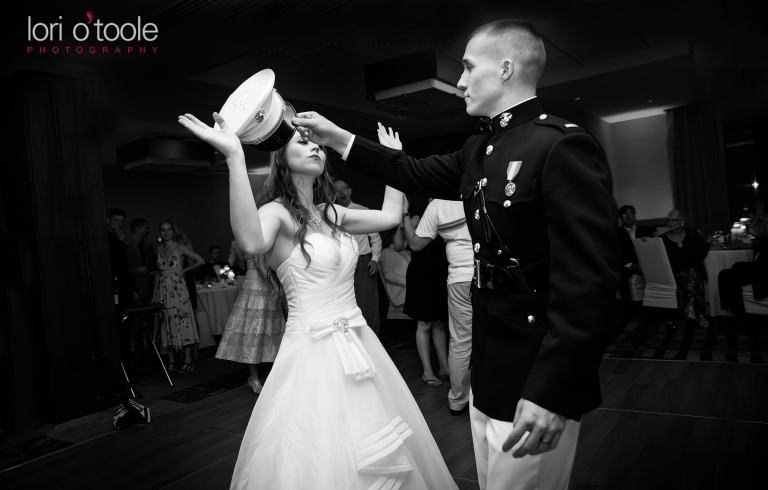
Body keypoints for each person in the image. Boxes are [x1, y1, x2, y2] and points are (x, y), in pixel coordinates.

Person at [292, 18, 619, 490]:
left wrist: (554, 391)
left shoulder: (560, 145)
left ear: (505, 68)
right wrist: (337, 137)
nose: (460, 82)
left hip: (536, 371)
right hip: (491, 364)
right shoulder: (478, 147)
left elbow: (591, 285)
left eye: (468, 67)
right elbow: (411, 171)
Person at [178, 112, 458, 489]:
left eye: (318, 145)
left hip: (358, 344)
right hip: (311, 350)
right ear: (281, 158)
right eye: (302, 142)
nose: (315, 148)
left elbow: (392, 215)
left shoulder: (331, 212)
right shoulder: (276, 213)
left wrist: (392, 158)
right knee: (321, 451)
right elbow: (250, 241)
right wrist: (234, 157)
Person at [402, 197, 474, 417]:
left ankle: (458, 397)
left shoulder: (438, 206)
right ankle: (432, 373)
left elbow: (416, 243)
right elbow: (405, 245)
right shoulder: (483, 192)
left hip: (451, 275)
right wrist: (405, 217)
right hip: (437, 274)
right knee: (428, 325)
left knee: (457, 337)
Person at [394, 197, 451, 390]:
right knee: (424, 323)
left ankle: (444, 367)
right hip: (422, 273)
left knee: (440, 322)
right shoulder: (416, 218)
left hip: (440, 272)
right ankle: (427, 371)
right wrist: (404, 220)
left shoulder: (442, 214)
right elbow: (399, 245)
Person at [216, 253, 286, 394]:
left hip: (267, 286)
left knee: (272, 330)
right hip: (256, 288)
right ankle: (253, 378)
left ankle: (275, 374)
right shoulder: (256, 244)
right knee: (253, 333)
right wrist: (277, 287)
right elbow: (260, 265)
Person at [153, 220, 205, 374]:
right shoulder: (159, 249)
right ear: (160, 233)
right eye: (163, 230)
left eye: (169, 229)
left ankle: (188, 359)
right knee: (167, 323)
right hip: (163, 290)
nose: (166, 232)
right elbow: (158, 273)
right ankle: (171, 361)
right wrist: (155, 292)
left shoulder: (179, 247)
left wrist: (184, 270)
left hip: (178, 289)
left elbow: (201, 260)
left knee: (183, 322)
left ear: (173, 232)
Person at [334, 179, 383, 336]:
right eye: (337, 190)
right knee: (343, 306)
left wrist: (375, 259)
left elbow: (375, 238)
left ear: (350, 191)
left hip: (362, 263)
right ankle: (350, 342)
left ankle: (372, 341)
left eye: (344, 188)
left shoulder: (362, 211)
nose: (341, 192)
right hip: (340, 265)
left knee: (366, 304)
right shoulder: (331, 214)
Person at [659, 210, 710, 327]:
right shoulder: (662, 239)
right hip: (674, 273)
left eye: (673, 220)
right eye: (668, 220)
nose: (669, 223)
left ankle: (690, 313)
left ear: (682, 222)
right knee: (690, 277)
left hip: (693, 272)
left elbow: (703, 249)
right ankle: (697, 313)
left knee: (692, 276)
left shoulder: (692, 234)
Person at [125, 218, 156, 368]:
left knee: (150, 326)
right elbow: (123, 269)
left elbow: (152, 264)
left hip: (148, 289)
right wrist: (137, 270)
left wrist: (152, 272)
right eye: (146, 228)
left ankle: (152, 358)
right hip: (136, 290)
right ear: (138, 229)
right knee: (137, 327)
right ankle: (140, 358)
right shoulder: (126, 247)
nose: (148, 231)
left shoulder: (147, 246)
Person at [615, 205, 654, 316]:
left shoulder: (645, 230)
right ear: (620, 218)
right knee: (621, 278)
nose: (628, 216)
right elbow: (616, 255)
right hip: (627, 266)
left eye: (630, 213)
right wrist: (631, 265)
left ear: (634, 215)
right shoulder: (616, 234)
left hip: (645, 264)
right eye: (624, 214)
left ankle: (655, 309)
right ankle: (630, 311)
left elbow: (653, 250)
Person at [718, 234, 768, 319]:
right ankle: (734, 311)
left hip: (763, 270)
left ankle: (737, 314)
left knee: (726, 275)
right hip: (760, 267)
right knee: (730, 270)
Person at [378, 228, 412, 321]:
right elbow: (388, 274)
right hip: (402, 292)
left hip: (412, 290)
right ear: (394, 237)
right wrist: (410, 282)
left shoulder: (408, 251)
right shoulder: (387, 252)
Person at [107, 208, 137, 306]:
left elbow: (124, 264)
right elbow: (116, 261)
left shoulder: (117, 236)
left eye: (122, 221)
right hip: (114, 283)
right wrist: (120, 242)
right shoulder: (106, 238)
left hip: (123, 283)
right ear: (108, 220)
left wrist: (132, 287)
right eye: (116, 220)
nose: (120, 223)